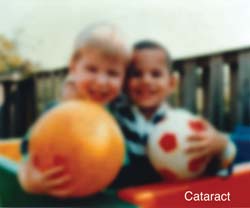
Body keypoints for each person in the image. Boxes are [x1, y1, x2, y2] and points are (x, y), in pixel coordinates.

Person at [18, 23, 130, 197]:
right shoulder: (57, 114)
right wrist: (29, 181)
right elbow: (28, 155)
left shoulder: (120, 115)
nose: (101, 81)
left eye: (112, 74)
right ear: (73, 67)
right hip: (62, 198)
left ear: (123, 77)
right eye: (91, 69)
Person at [111, 40, 236, 187]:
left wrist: (221, 145)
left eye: (156, 74)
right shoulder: (116, 118)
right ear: (124, 83)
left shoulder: (183, 125)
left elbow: (224, 166)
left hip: (168, 195)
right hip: (125, 197)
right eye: (136, 74)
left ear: (171, 83)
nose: (146, 81)